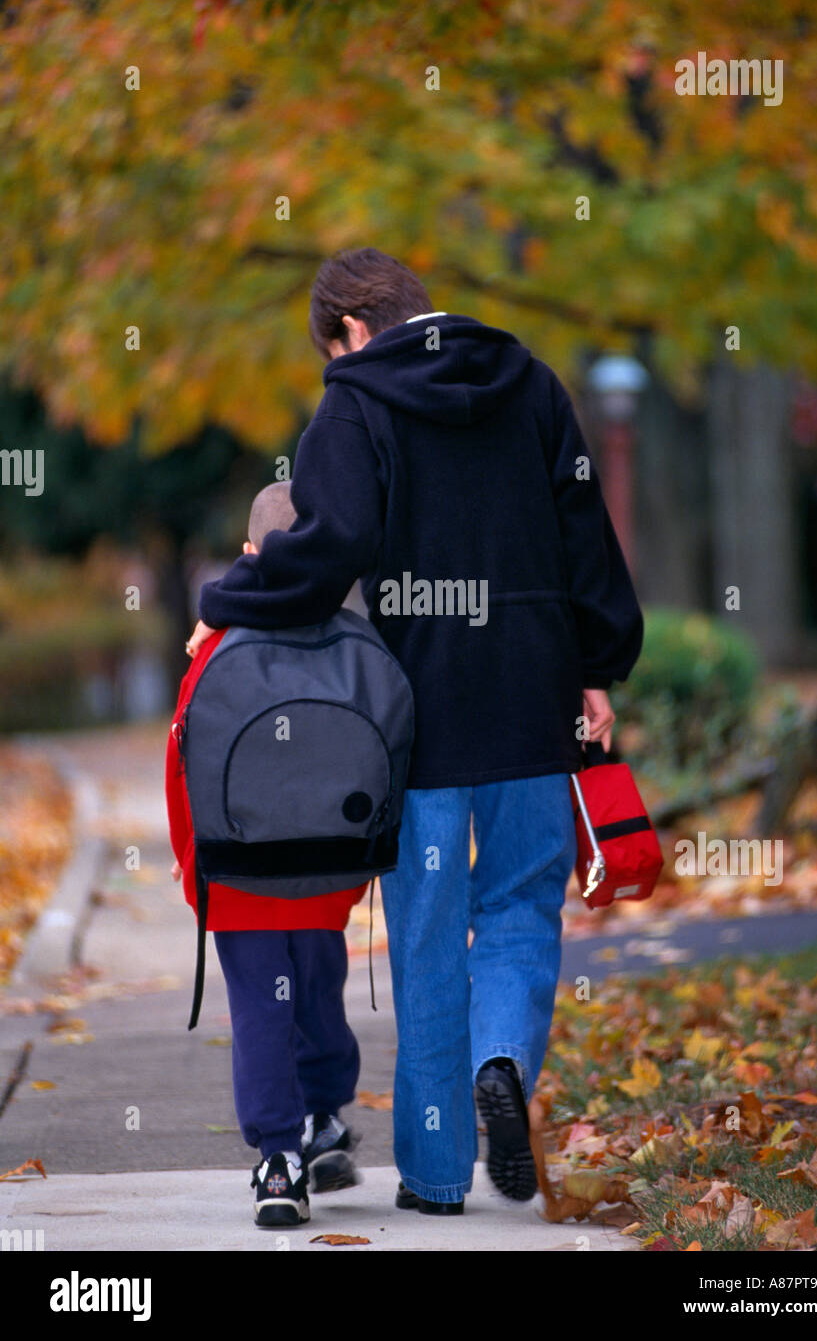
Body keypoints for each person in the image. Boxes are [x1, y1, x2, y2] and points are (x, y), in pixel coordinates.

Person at [187, 247, 644, 1215]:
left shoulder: (354, 403)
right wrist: (599, 664)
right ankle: (502, 1059)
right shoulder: (533, 384)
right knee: (521, 906)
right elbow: (584, 533)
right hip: (533, 694)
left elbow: (329, 545)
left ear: (349, 329)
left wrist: (226, 597)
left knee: (427, 937)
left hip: (410, 710)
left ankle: (437, 1177)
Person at [166, 481, 367, 1228]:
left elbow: (181, 766)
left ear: (249, 553)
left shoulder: (214, 644)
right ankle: (324, 1115)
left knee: (261, 1008)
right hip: (322, 873)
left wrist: (199, 876)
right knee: (318, 992)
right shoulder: (348, 638)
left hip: (241, 874)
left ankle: (278, 1159)